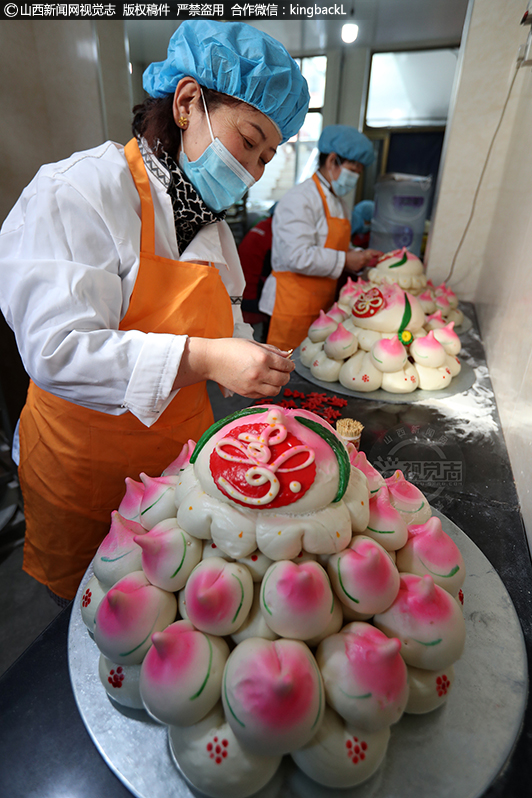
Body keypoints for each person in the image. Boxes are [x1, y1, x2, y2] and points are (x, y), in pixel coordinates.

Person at [0, 21, 310, 603]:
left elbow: (227, 326)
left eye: (268, 156)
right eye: (249, 142)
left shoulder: (214, 232)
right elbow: (58, 350)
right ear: (190, 101)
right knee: (94, 622)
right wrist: (209, 356)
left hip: (176, 477)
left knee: (168, 613)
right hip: (83, 471)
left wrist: (251, 357)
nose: (254, 170)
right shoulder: (82, 191)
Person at [260, 125, 382, 351]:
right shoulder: (300, 199)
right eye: (353, 170)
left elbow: (335, 247)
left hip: (322, 307)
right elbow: (296, 256)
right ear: (332, 160)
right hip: (289, 306)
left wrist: (360, 256)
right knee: (282, 373)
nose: (355, 178)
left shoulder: (341, 204)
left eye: (358, 172)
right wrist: (346, 260)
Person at [238, 204, 276, 340]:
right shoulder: (271, 235)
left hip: (243, 285)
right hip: (252, 291)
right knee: (253, 337)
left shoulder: (263, 227)